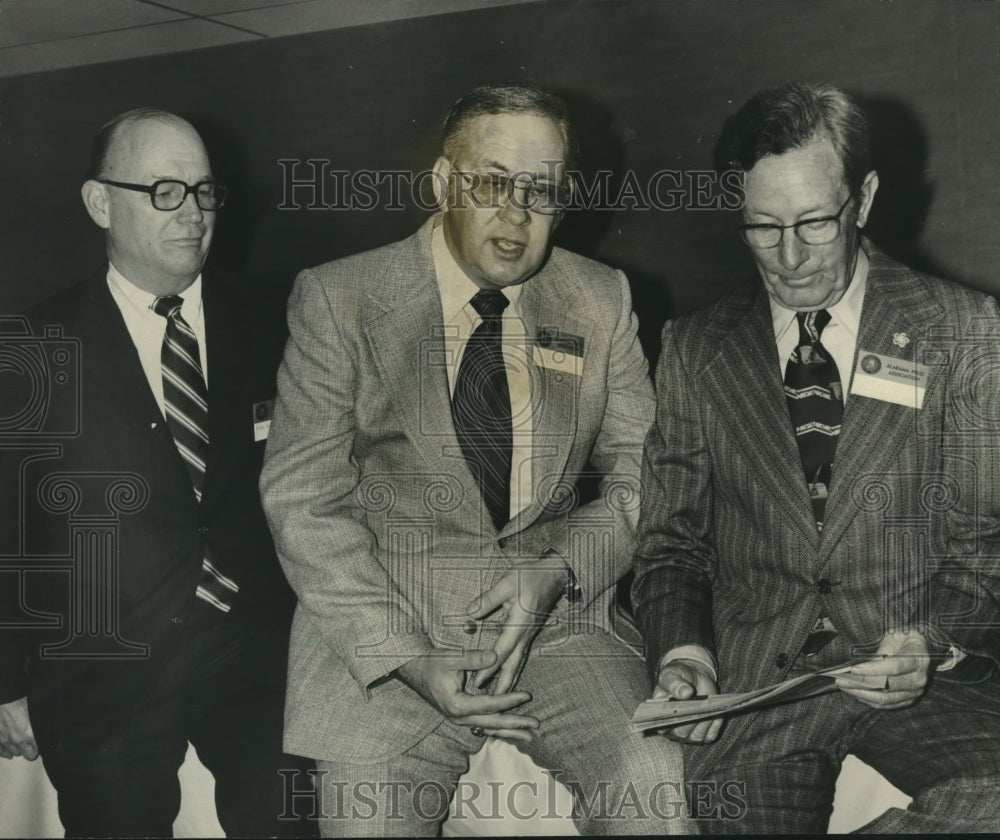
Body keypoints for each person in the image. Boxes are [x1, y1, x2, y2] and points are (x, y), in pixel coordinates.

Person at [260, 83, 691, 836]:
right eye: (492, 182)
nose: (517, 215)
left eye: (543, 190)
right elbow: (303, 501)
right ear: (441, 183)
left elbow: (643, 476)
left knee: (655, 788)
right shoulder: (341, 298)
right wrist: (405, 657)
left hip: (555, 624)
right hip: (388, 637)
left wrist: (557, 569)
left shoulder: (601, 297)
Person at [632, 81, 1000, 833]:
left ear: (861, 200)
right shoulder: (697, 349)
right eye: (762, 228)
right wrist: (685, 655)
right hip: (757, 690)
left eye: (813, 223)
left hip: (919, 680)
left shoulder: (965, 330)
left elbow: (983, 546)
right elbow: (672, 545)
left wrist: (925, 641)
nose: (791, 258)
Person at [0, 108, 314, 837]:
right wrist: (5, 683)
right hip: (105, 666)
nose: (193, 214)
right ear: (100, 203)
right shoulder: (32, 351)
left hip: (253, 655)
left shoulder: (279, 321)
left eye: (204, 191)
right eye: (164, 191)